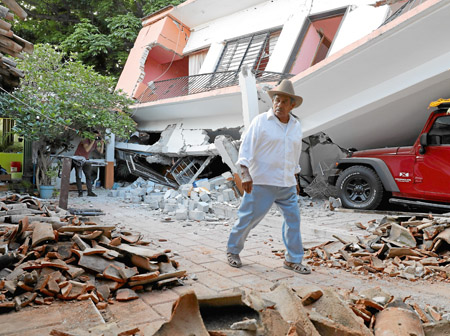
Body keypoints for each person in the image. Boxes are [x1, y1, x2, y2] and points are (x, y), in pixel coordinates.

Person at [226, 79, 311, 274]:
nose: (279, 105)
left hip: (286, 183)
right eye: (276, 100)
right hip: (262, 182)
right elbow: (246, 148)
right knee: (248, 219)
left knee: (293, 221)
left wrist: (296, 179)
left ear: (292, 105)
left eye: (283, 102)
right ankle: (233, 250)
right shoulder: (261, 122)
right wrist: (245, 173)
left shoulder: (296, 126)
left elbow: (294, 154)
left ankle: (292, 260)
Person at [72, 131, 104, 197]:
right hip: (78, 159)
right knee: (79, 176)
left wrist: (102, 144)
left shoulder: (95, 143)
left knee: (88, 176)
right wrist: (93, 141)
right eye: (95, 136)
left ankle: (90, 192)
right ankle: (80, 192)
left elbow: (100, 151)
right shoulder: (85, 140)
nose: (96, 138)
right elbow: (87, 149)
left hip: (86, 159)